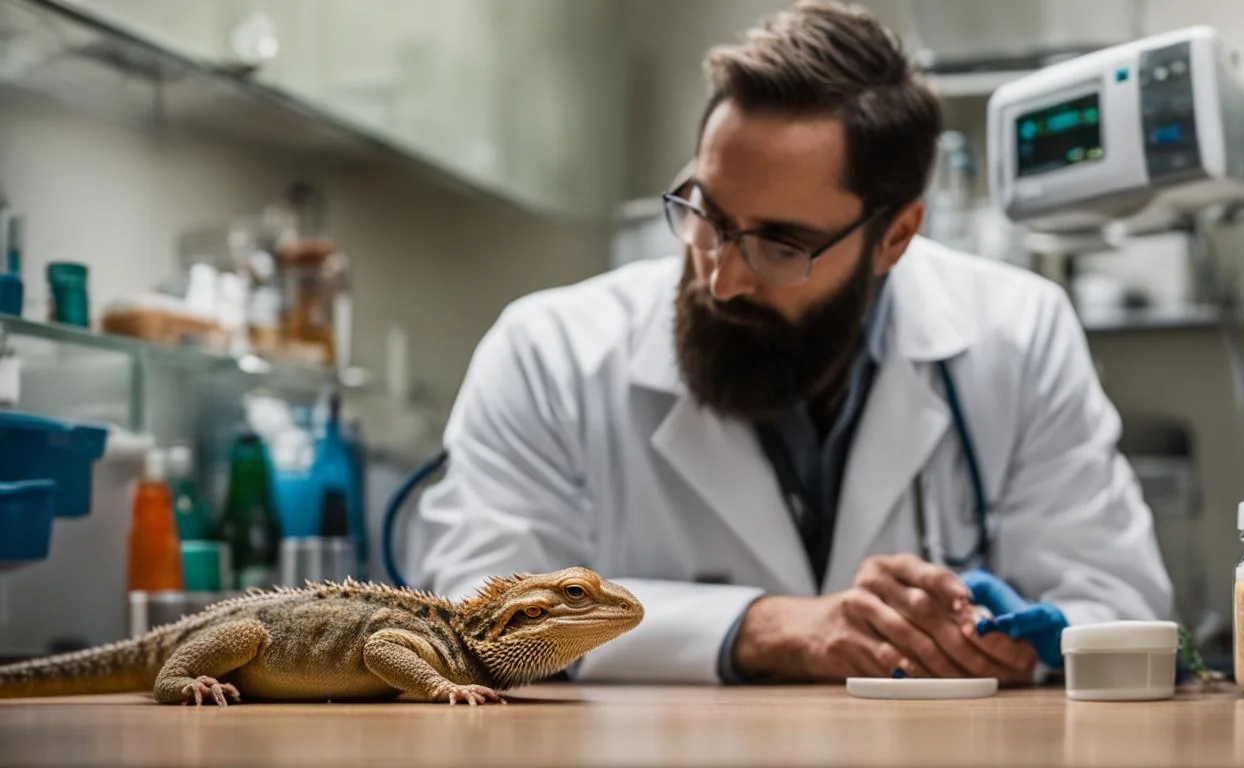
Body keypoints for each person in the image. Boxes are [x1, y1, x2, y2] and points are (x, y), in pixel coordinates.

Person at [404, 0, 1172, 685]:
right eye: (706, 210)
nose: (721, 277)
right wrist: (764, 626)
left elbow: (1118, 600)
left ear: (895, 236)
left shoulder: (1020, 332)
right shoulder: (550, 352)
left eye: (780, 244)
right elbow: (474, 610)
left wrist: (1027, 641)